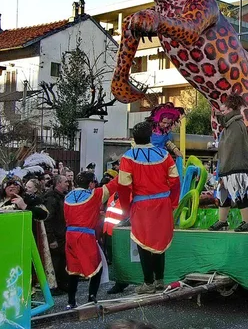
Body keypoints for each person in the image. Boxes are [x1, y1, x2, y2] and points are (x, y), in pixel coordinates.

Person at [118, 121, 180, 294]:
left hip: (141, 204)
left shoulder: (128, 157)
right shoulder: (164, 154)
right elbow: (175, 181)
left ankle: (148, 282)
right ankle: (160, 280)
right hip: (163, 203)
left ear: (134, 138)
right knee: (160, 241)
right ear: (150, 136)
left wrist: (126, 208)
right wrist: (173, 202)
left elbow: (123, 186)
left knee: (143, 242)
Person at [64, 171, 117, 309]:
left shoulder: (68, 196)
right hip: (85, 236)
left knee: (73, 269)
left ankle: (71, 301)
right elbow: (113, 185)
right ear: (90, 183)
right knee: (96, 267)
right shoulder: (94, 194)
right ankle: (91, 297)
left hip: (70, 235)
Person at [209, 94, 248, 232]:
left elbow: (235, 147)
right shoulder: (230, 126)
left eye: (224, 110)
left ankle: (247, 222)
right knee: (223, 193)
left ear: (231, 109)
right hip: (227, 167)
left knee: (240, 192)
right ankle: (222, 221)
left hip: (236, 168)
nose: (222, 113)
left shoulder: (236, 126)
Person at [44, 175, 70, 294]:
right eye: (65, 182)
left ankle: (63, 284)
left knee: (63, 261)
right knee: (56, 262)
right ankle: (54, 287)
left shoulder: (62, 197)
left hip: (63, 234)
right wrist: (51, 238)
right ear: (58, 183)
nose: (68, 184)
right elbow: (48, 219)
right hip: (56, 235)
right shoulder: (51, 199)